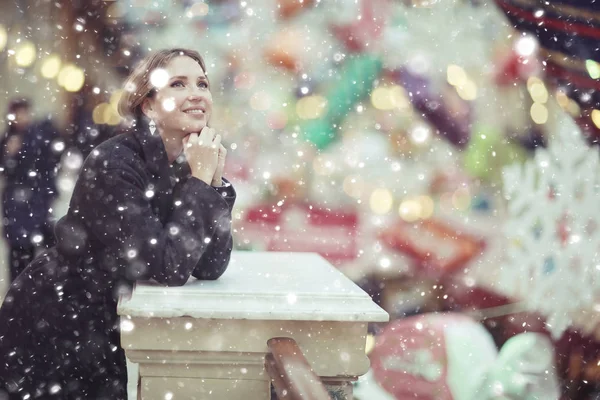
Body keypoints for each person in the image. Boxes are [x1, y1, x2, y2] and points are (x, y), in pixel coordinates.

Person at [0, 48, 236, 399]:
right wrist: (200, 185)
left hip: (99, 329)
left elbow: (209, 265)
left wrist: (213, 184)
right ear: (149, 105)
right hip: (53, 325)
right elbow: (168, 267)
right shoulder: (114, 162)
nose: (196, 93)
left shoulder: (179, 168)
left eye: (202, 83)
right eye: (177, 83)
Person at [0, 98, 61, 282]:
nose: (21, 118)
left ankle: (30, 290)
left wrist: (48, 195)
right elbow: (5, 170)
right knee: (17, 250)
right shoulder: (7, 138)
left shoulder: (38, 137)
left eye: (24, 113)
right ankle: (17, 290)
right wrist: (8, 154)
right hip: (15, 204)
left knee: (33, 250)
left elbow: (47, 166)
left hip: (34, 202)